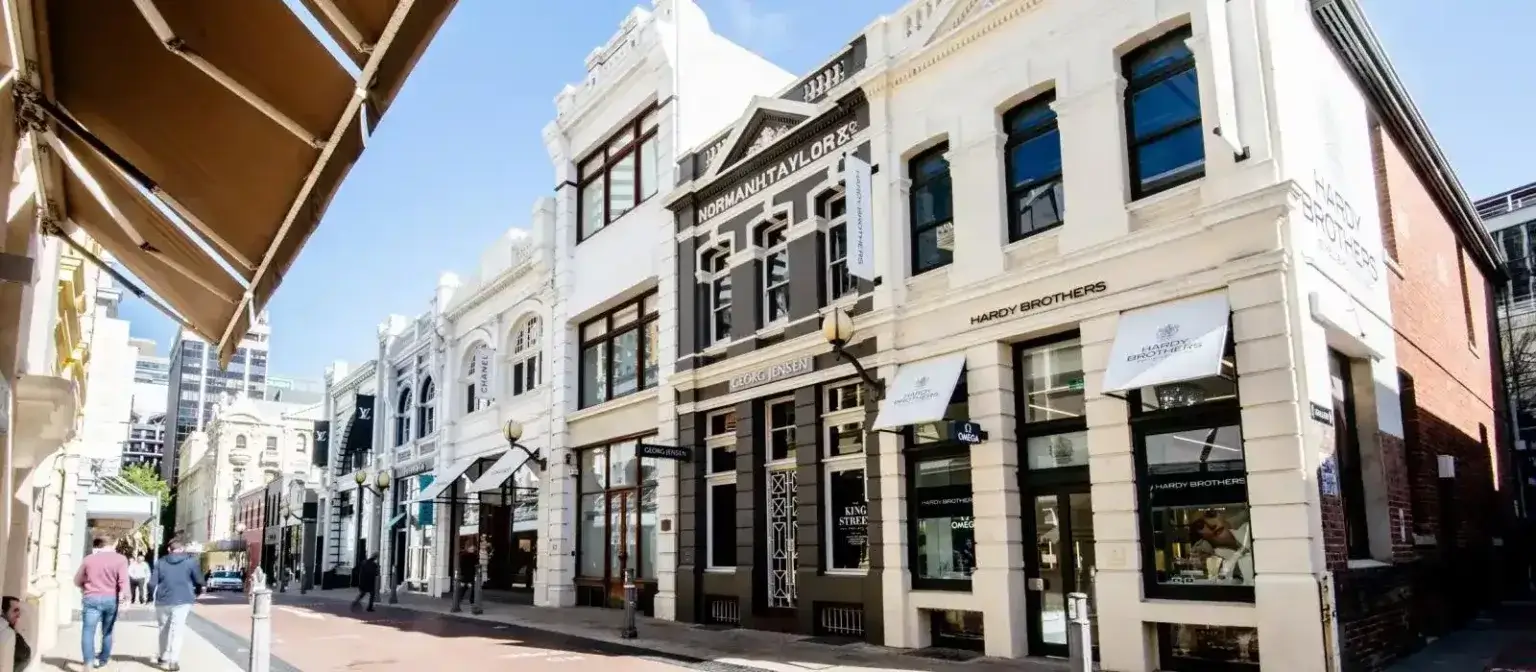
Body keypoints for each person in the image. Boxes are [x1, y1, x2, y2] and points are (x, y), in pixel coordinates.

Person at [74, 537, 128, 669]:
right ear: (113, 545)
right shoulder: (121, 559)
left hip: (91, 598)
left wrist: (84, 587)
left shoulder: (88, 559)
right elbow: (123, 582)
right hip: (111, 599)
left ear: (100, 546)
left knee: (88, 631)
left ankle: (88, 662)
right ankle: (103, 659)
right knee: (107, 631)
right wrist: (125, 601)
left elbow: (77, 580)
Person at [152, 540, 204, 672]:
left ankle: (163, 657)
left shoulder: (160, 562)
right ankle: (174, 661)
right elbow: (199, 580)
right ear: (182, 549)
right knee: (178, 630)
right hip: (183, 599)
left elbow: (152, 583)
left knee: (163, 629)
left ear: (169, 549)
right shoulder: (190, 562)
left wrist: (149, 596)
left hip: (163, 600)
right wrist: (197, 591)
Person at [3, 596, 32, 672]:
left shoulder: (11, 632)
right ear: (3, 612)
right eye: (15, 610)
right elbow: (25, 654)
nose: (19, 615)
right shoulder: (7, 634)